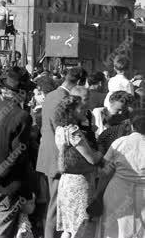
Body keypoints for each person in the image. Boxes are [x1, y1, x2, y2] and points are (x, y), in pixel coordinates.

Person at [0, 68, 36, 238]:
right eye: (28, 92)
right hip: (6, 184)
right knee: (1, 233)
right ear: (22, 93)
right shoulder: (22, 116)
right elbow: (17, 154)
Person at [36, 66, 85, 238]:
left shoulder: (51, 95)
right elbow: (62, 130)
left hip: (47, 153)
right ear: (78, 82)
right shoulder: (65, 100)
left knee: (51, 203)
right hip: (58, 155)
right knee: (55, 206)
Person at [52, 87, 103, 238]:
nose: (85, 110)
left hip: (66, 181)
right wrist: (101, 149)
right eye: (81, 108)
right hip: (79, 182)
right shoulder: (73, 131)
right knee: (81, 227)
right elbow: (92, 159)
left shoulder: (60, 129)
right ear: (71, 111)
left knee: (69, 227)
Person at [93, 109, 145, 238]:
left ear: (132, 125)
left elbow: (105, 171)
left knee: (116, 230)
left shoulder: (120, 142)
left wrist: (97, 194)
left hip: (117, 193)